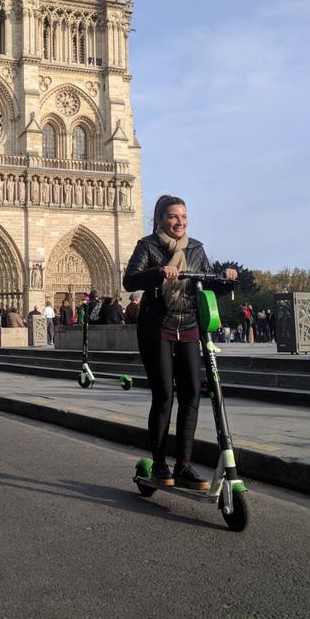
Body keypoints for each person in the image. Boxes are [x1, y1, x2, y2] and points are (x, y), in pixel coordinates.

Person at [124, 194, 237, 490]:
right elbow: (130, 281)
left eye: (183, 216)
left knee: (191, 394)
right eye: (173, 216)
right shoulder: (147, 246)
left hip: (188, 324)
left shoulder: (197, 248)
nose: (180, 222)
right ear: (160, 219)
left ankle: (184, 465)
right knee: (164, 395)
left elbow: (207, 283)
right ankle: (160, 462)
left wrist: (226, 279)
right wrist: (158, 272)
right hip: (156, 326)